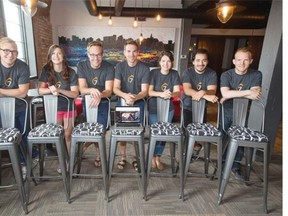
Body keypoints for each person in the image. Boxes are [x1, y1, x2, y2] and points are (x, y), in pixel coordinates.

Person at [220, 47, 262, 180]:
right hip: (225, 110)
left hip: (244, 112)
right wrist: (247, 92)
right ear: (234, 61)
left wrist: (231, 94)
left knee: (240, 139)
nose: (242, 63)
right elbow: (225, 93)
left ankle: (235, 166)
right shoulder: (226, 75)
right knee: (223, 137)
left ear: (251, 61)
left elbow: (256, 95)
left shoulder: (256, 74)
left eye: (245, 60)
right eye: (239, 60)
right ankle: (221, 164)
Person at [0, 37, 39, 176]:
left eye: (14, 52)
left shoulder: (22, 66)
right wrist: (12, 93)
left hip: (21, 107)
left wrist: (0, 91)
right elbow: (18, 91)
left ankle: (26, 161)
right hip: (1, 109)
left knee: (23, 134)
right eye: (6, 51)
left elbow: (22, 93)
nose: (10, 54)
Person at [38, 44, 79, 174]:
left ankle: (70, 161)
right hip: (53, 108)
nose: (56, 56)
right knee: (58, 136)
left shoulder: (71, 72)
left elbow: (75, 94)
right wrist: (50, 89)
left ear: (63, 56)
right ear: (50, 56)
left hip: (68, 108)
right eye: (53, 54)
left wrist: (59, 89)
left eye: (59, 53)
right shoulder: (46, 70)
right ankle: (62, 160)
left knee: (67, 135)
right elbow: (39, 90)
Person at [113, 39, 150, 171]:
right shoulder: (119, 66)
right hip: (122, 102)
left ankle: (135, 157)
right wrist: (125, 96)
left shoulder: (144, 68)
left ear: (138, 52)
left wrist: (134, 97)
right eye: (129, 51)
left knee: (136, 132)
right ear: (124, 52)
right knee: (122, 132)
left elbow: (145, 91)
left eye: (134, 51)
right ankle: (123, 157)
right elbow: (115, 88)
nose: (132, 54)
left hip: (138, 103)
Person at [77, 40, 114, 167]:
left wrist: (100, 95)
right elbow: (82, 89)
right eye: (92, 55)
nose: (95, 58)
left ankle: (88, 150)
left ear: (102, 54)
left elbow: (109, 91)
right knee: (91, 130)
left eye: (98, 55)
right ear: (88, 54)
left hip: (103, 102)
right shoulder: (81, 66)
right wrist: (93, 90)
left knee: (100, 131)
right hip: (88, 102)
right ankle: (93, 151)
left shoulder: (109, 67)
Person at [182, 49, 218, 159]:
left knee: (197, 132)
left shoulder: (212, 73)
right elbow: (187, 90)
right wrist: (205, 95)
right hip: (188, 106)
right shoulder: (187, 72)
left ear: (207, 61)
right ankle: (188, 154)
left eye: (204, 60)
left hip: (202, 108)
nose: (200, 63)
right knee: (187, 133)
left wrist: (203, 92)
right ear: (193, 61)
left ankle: (193, 148)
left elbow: (212, 90)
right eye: (198, 60)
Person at [148, 50, 181, 171]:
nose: (166, 64)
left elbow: (178, 92)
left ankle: (158, 157)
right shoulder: (154, 73)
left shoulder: (174, 74)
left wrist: (170, 93)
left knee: (164, 134)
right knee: (155, 133)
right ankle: (152, 157)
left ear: (172, 62)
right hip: (153, 108)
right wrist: (162, 94)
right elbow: (149, 92)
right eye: (163, 61)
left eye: (168, 61)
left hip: (169, 109)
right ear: (159, 62)